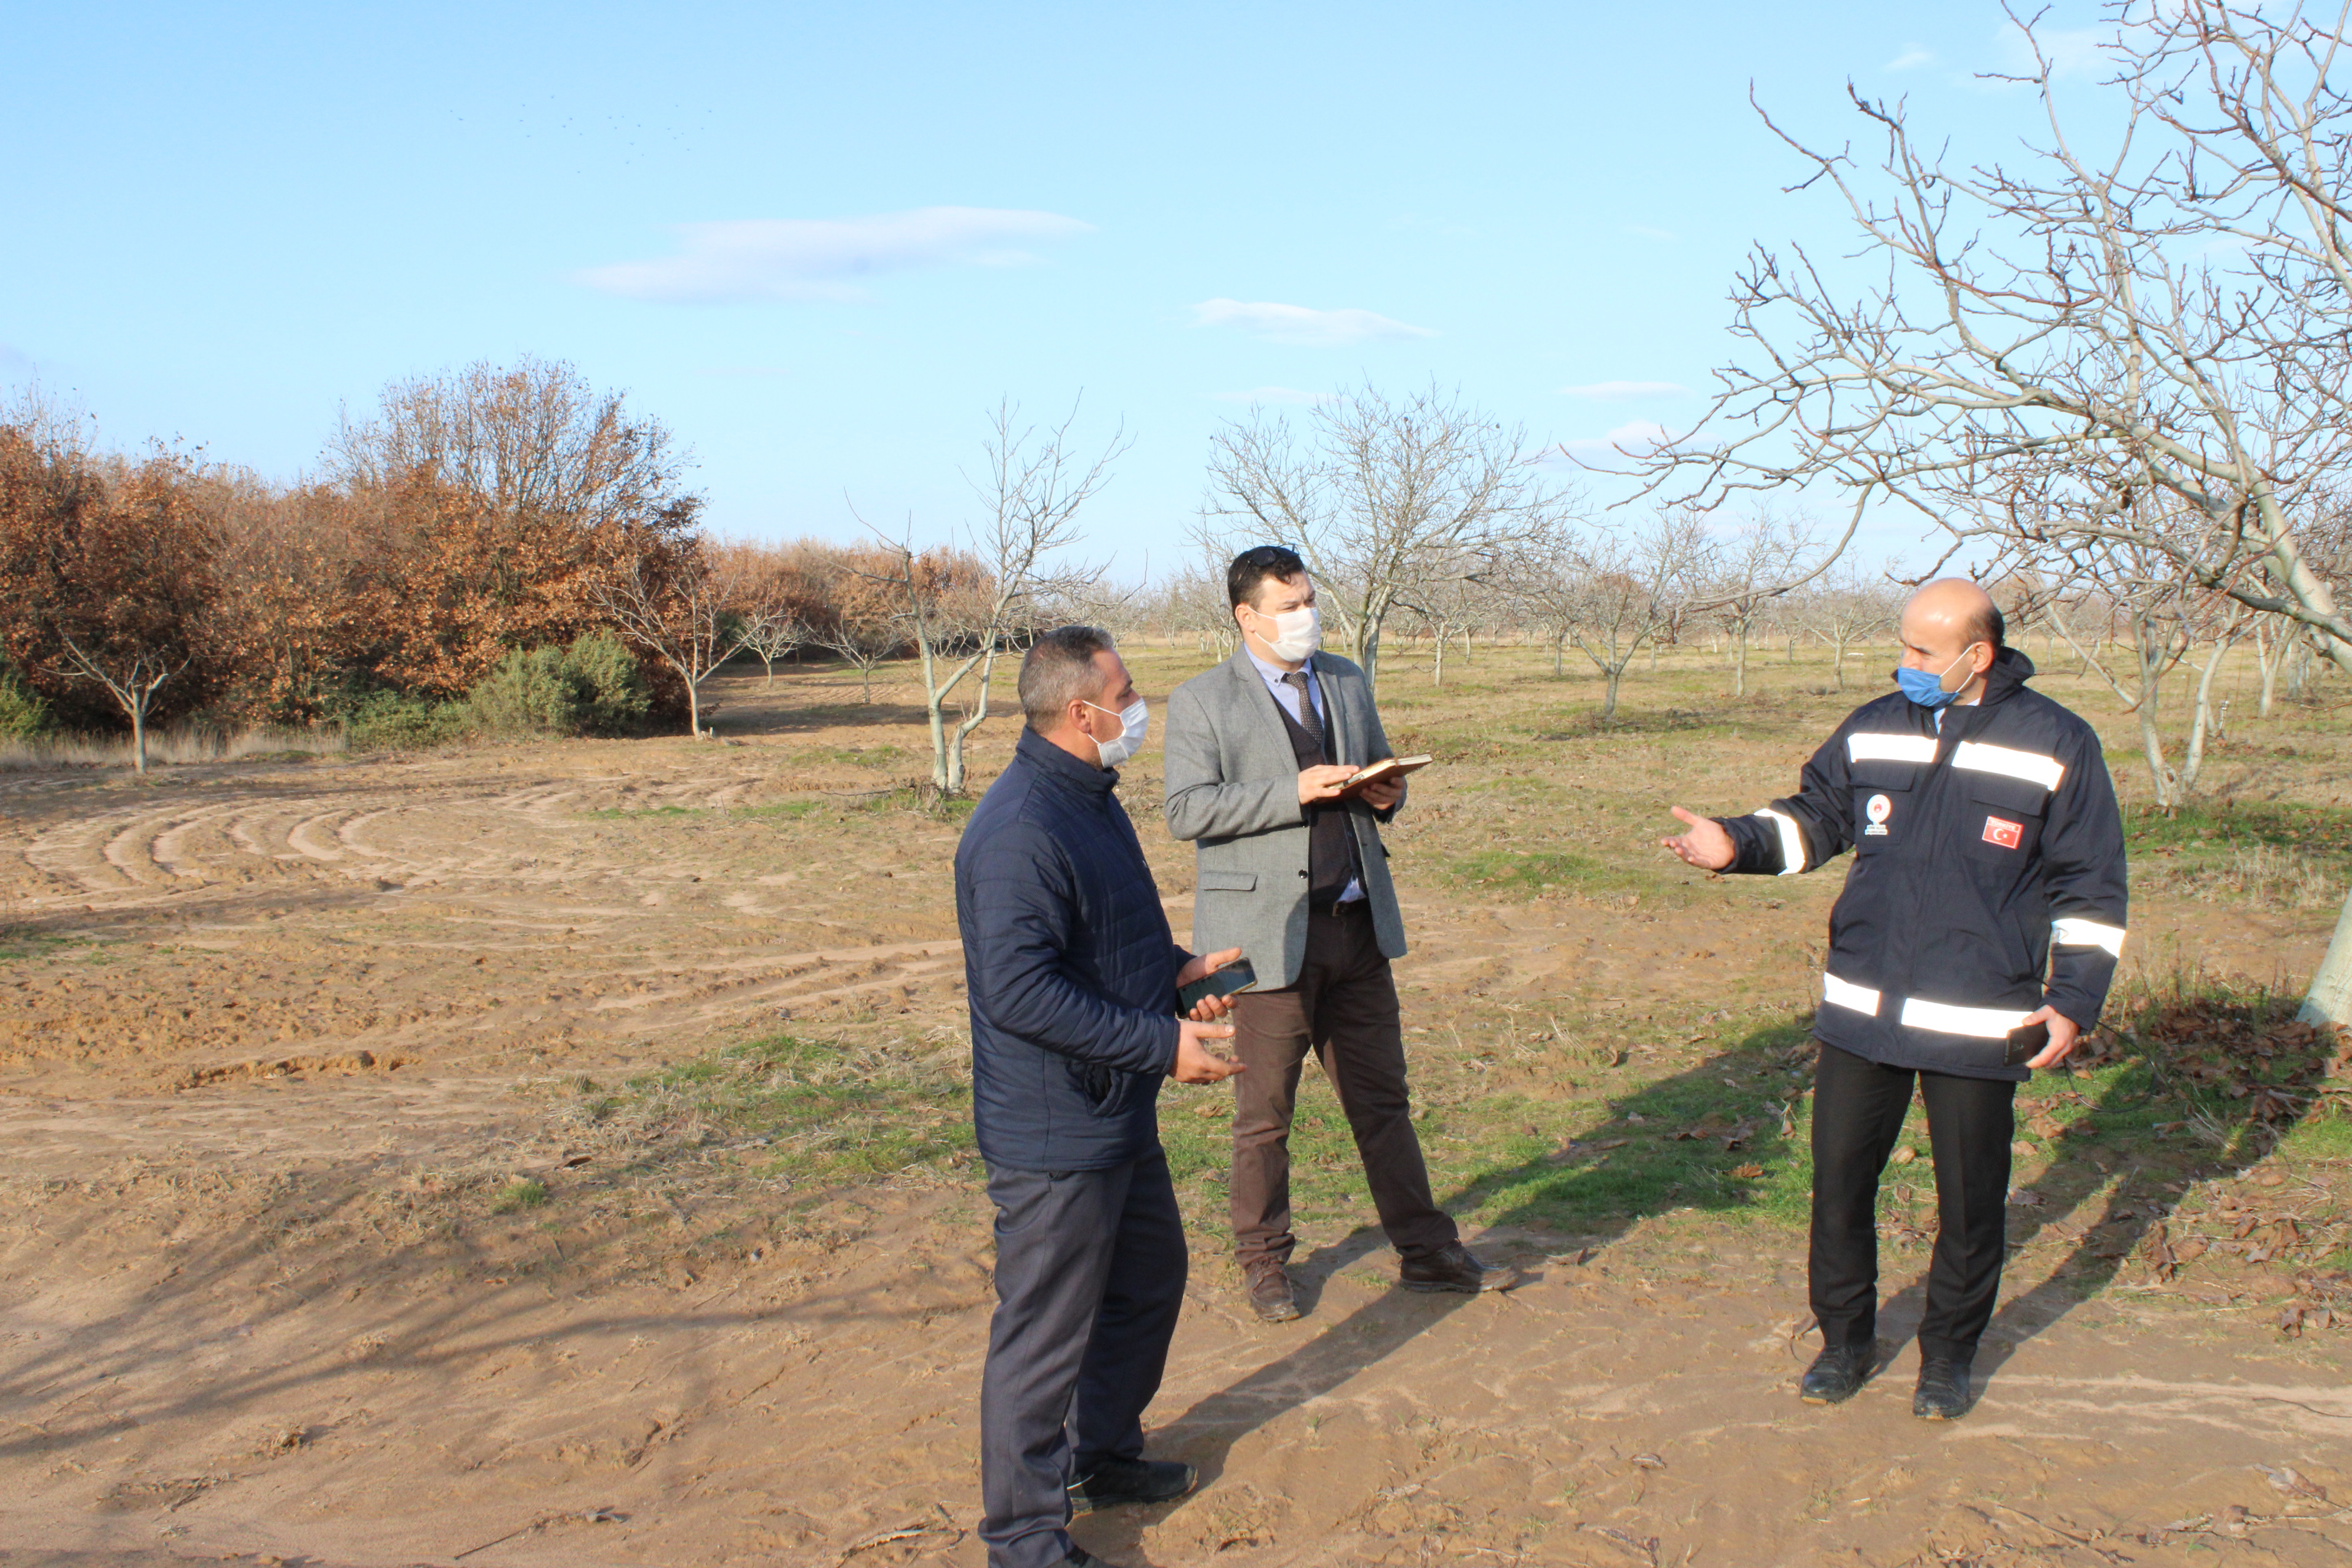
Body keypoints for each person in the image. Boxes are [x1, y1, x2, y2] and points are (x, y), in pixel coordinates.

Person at [1661, 578, 2127, 1420]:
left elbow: (2092, 887)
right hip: (1862, 1013)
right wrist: (1736, 844)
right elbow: (1817, 818)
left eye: (1921, 652)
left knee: (1970, 1203)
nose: (1903, 663)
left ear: (1976, 657)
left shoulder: (2058, 742)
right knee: (1839, 1186)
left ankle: (1947, 1359)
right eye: (1903, 646)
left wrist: (2074, 1001)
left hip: (1979, 1023)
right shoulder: (1876, 725)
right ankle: (1844, 1345)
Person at [955, 625, 1248, 1568]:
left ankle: (1104, 1453)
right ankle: (1025, 1539)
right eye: (1125, 691)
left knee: (1149, 1281)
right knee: (1042, 1341)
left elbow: (1107, 938)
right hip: (1053, 1132)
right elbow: (1021, 991)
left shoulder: (1090, 798)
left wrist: (1176, 972)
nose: (1138, 705)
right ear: (1081, 712)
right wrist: (1162, 1045)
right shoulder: (1018, 832)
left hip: (1113, 1109)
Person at [1163, 545, 1508, 1324]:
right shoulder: (1202, 699)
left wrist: (1385, 794)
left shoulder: (1346, 680)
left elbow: (1378, 778)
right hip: (1266, 939)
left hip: (1357, 927)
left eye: (1309, 601)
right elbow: (1187, 811)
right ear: (1246, 617)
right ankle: (1264, 1264)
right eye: (1288, 607)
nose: (1304, 617)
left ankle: (1428, 1254)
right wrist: (1290, 791)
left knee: (1384, 1102)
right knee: (1265, 1116)